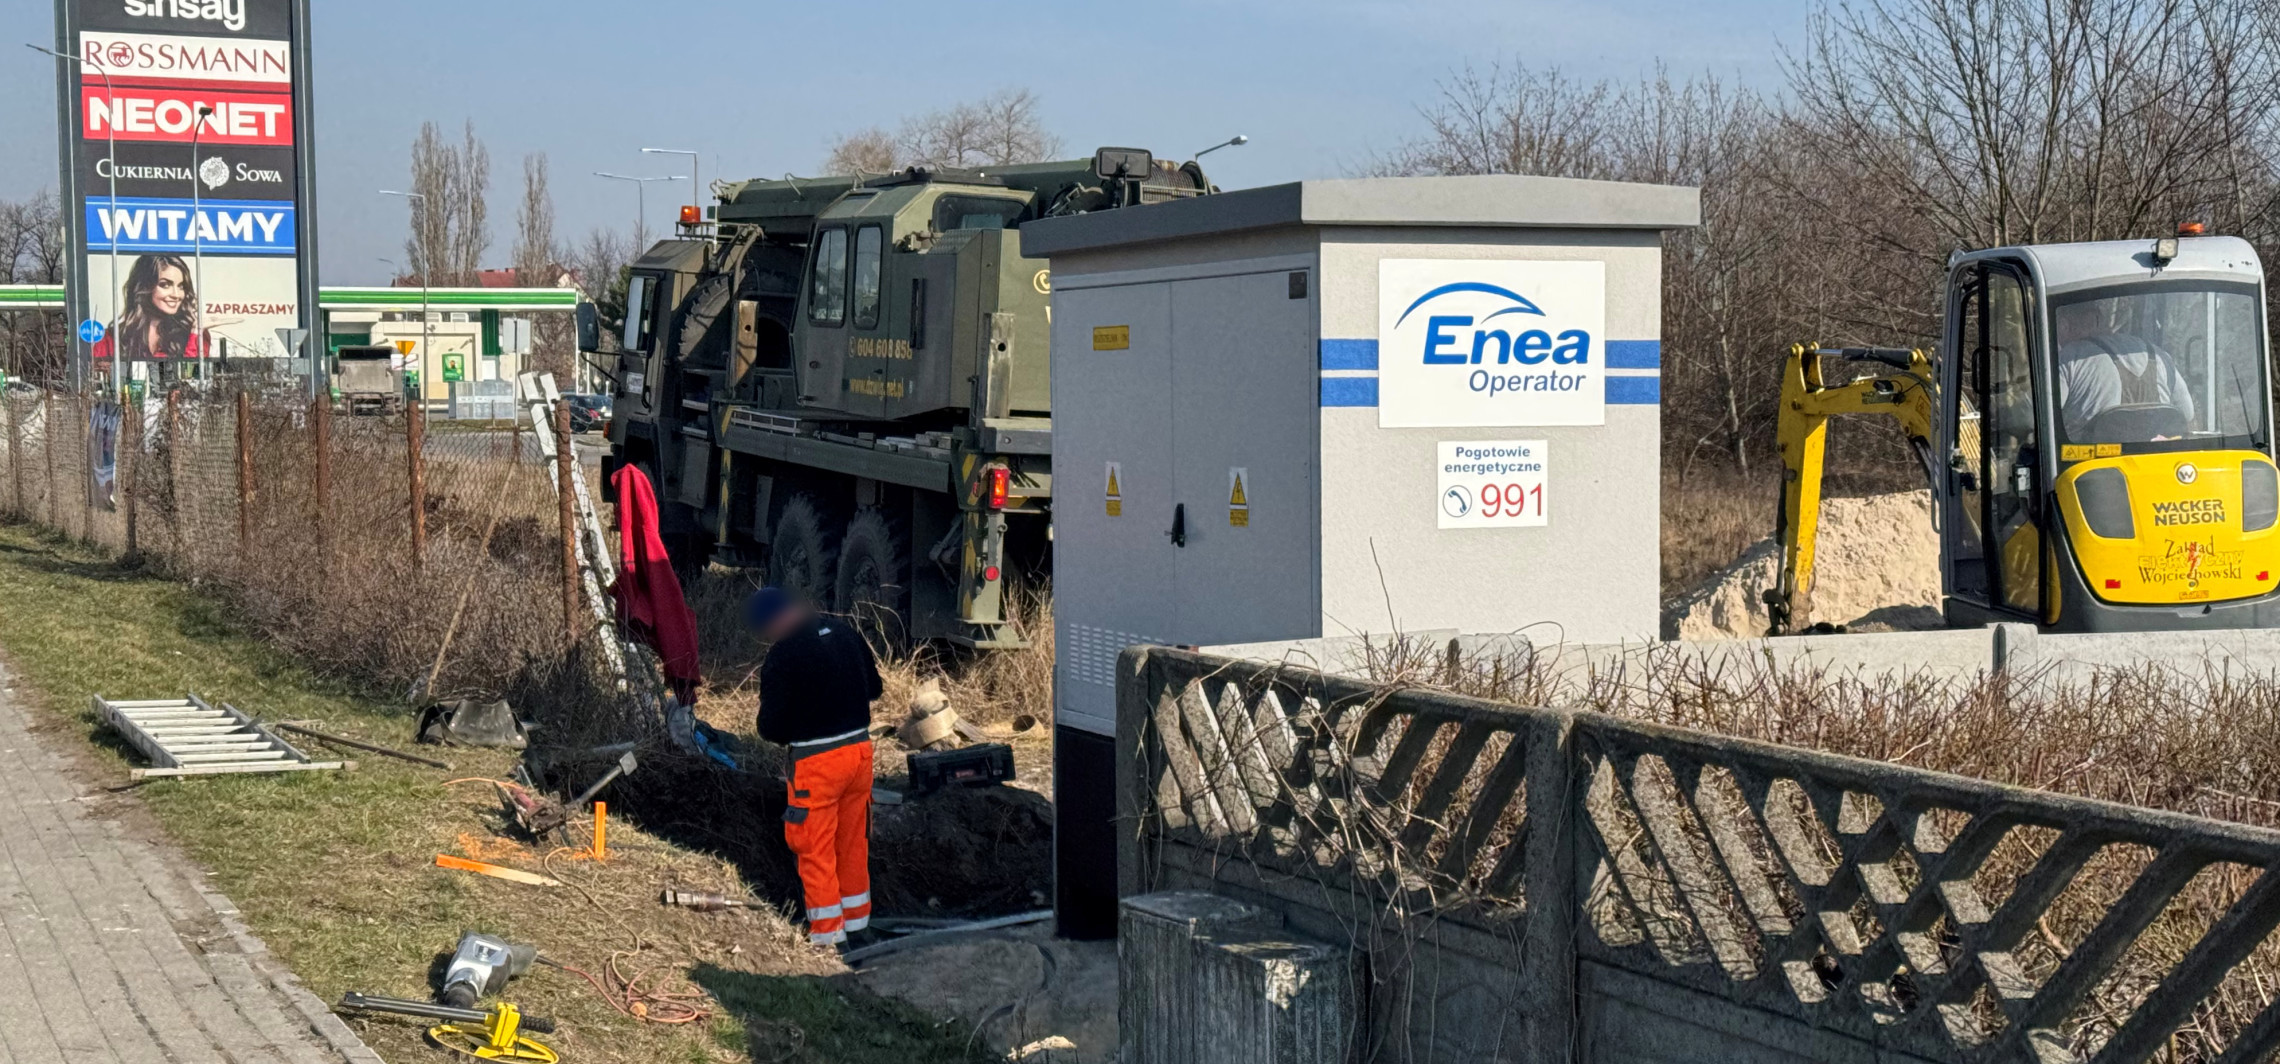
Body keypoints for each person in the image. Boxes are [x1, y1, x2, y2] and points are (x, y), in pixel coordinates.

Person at [750, 586, 882, 947]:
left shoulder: (782, 656)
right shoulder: (844, 633)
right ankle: (858, 926)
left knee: (814, 847)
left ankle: (828, 939)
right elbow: (875, 688)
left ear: (772, 623)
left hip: (818, 764)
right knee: (854, 841)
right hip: (859, 753)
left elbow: (770, 728)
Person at [2052, 300, 2193, 441]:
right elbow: (2187, 413)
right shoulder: (2158, 354)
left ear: (2064, 325)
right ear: (2098, 319)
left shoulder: (2069, 358)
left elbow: (2034, 420)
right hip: (2154, 460)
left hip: (2090, 461)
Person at [92, 254, 204, 362]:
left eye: (181, 286)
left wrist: (193, 339)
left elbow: (197, 376)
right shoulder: (109, 340)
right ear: (144, 287)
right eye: (165, 285)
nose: (176, 294)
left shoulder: (194, 336)